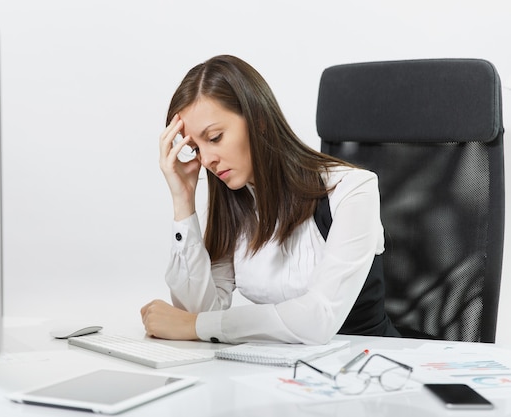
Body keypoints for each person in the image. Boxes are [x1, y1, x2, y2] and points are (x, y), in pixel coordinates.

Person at [141, 55, 399, 345]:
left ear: (258, 120)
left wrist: (194, 326)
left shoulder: (351, 189)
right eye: (195, 149)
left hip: (368, 366)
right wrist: (183, 200)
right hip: (280, 370)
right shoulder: (235, 205)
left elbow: (318, 318)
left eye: (214, 138)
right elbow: (200, 314)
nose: (207, 160)